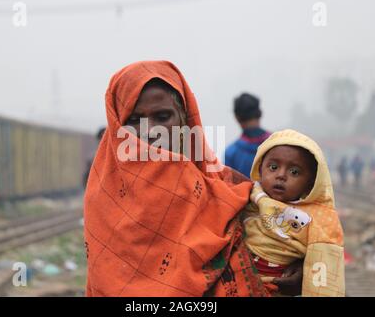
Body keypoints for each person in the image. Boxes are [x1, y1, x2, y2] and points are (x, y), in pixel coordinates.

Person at [83, 61, 302, 297]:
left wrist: (299, 262)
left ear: (184, 122)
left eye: (163, 116)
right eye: (134, 120)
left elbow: (282, 239)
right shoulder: (102, 201)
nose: (149, 131)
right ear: (117, 127)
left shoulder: (229, 191)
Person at [243, 129, 345, 296]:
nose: (281, 175)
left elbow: (325, 260)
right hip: (238, 280)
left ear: (311, 182)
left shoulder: (319, 218)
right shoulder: (248, 196)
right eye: (273, 167)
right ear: (260, 169)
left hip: (280, 288)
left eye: (294, 172)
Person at [225, 93, 271, 177]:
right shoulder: (277, 144)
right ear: (260, 113)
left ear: (236, 117)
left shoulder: (231, 153)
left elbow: (229, 186)